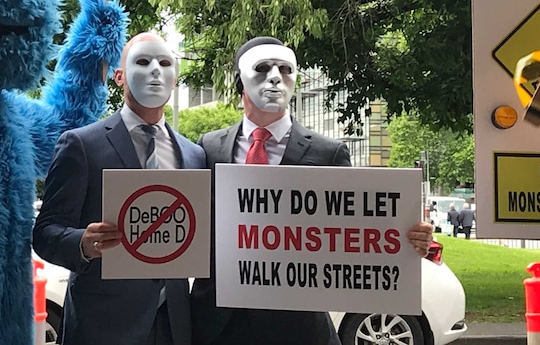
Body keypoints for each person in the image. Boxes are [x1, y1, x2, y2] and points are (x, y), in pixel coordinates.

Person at [190, 36, 435, 345]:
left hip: (296, 326)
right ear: (240, 80)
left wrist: (406, 236)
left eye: (285, 69)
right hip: (217, 321)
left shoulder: (328, 153)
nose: (276, 77)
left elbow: (355, 229)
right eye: (263, 68)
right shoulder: (208, 147)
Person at [33, 32, 205, 345]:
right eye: (142, 61)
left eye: (165, 63)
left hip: (173, 323)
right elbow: (45, 233)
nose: (155, 70)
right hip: (102, 324)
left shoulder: (194, 154)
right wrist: (83, 243)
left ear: (176, 78)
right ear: (119, 76)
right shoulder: (81, 145)